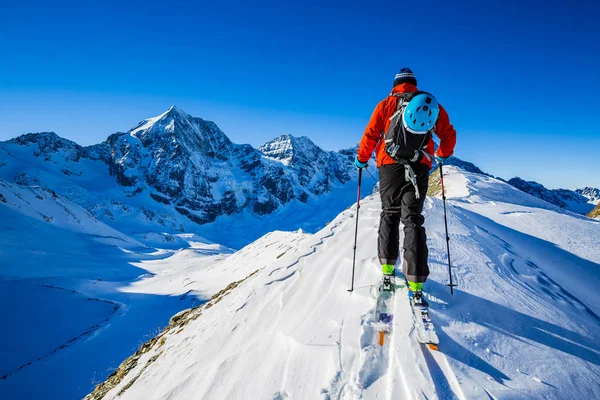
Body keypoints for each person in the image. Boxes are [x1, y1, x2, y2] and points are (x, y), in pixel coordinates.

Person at [354, 67, 456, 297]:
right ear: (415, 85)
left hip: (389, 165)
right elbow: (449, 135)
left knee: (389, 213)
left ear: (395, 85)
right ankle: (416, 281)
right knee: (412, 220)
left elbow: (371, 135)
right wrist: (440, 155)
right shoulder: (432, 106)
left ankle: (388, 268)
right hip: (419, 165)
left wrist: (361, 160)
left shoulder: (385, 105)